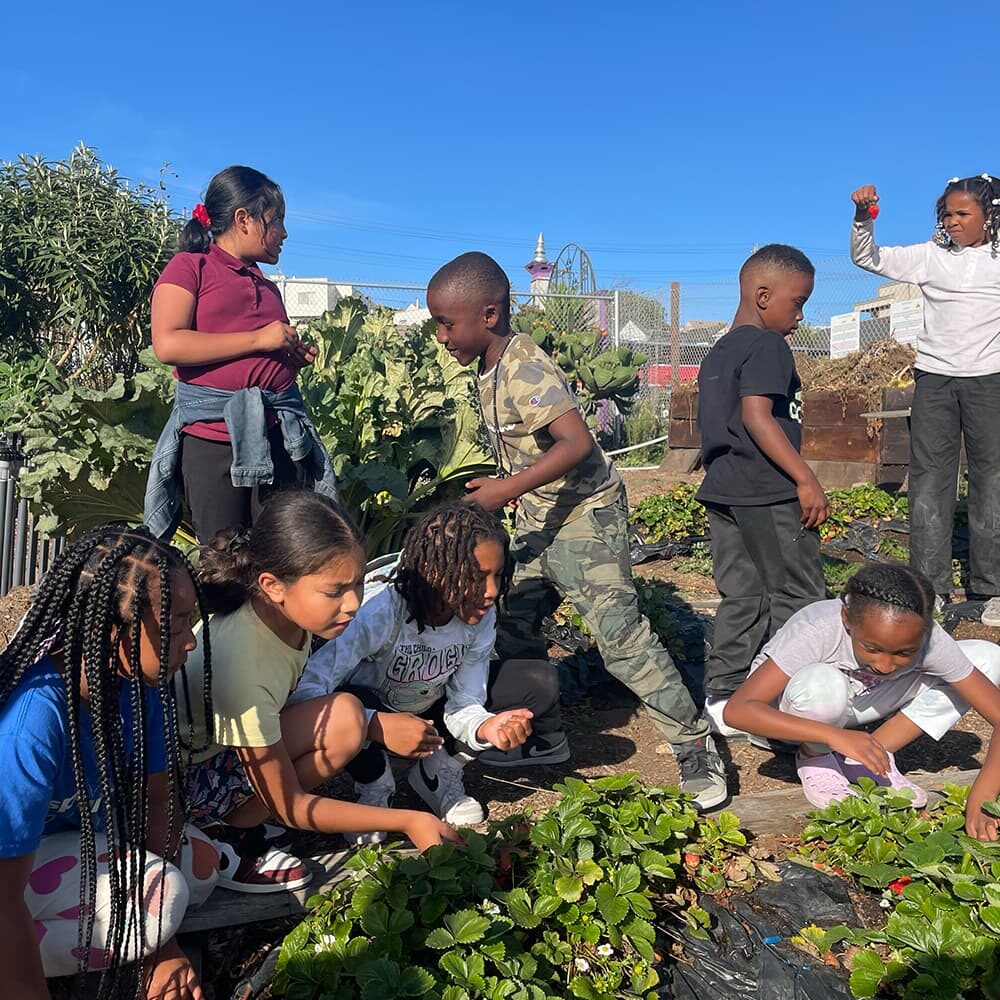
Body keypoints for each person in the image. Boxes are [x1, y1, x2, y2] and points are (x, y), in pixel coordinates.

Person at [425, 252, 728, 811]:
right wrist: (508, 483)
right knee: (512, 621)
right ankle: (544, 735)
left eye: (447, 323)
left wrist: (505, 490)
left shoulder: (523, 365)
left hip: (584, 515)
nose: (441, 335)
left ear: (488, 314)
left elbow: (576, 444)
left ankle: (694, 747)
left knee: (621, 640)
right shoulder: (489, 367)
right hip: (541, 516)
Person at [178, 491, 459, 893]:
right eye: (335, 591)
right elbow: (289, 804)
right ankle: (224, 836)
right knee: (345, 723)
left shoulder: (283, 616)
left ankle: (236, 819)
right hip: (180, 788)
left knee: (347, 716)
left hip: (219, 750)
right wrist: (409, 821)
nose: (353, 603)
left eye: (358, 584)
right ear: (273, 585)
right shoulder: (242, 662)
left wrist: (371, 724)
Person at [0, 526, 220, 1000]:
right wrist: (154, 934)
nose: (190, 642)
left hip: (71, 849)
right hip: (8, 874)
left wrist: (162, 945)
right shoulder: (34, 719)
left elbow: (159, 800)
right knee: (168, 893)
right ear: (110, 625)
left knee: (201, 869)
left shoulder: (139, 689)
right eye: (174, 624)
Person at [290, 501, 565, 842]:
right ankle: (374, 784)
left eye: (497, 575)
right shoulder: (378, 611)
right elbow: (309, 691)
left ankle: (438, 772)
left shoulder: (478, 614)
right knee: (348, 701)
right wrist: (374, 724)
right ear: (436, 572)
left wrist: (486, 727)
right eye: (478, 578)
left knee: (539, 682)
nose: (492, 591)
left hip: (430, 710)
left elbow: (465, 698)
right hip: (371, 717)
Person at [723, 563, 1000, 838]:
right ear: (846, 618)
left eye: (904, 653)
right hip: (798, 708)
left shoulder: (929, 640)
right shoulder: (818, 629)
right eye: (872, 648)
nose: (885, 665)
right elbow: (738, 711)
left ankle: (871, 755)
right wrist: (831, 736)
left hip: (860, 703)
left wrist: (983, 796)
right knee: (822, 685)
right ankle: (816, 755)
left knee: (987, 658)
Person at [144, 165, 337, 543]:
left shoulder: (267, 287)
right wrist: (261, 340)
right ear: (243, 219)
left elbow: (258, 355)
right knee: (225, 560)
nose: (283, 232)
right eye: (275, 220)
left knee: (279, 555)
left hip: (279, 438)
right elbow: (168, 344)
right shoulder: (189, 267)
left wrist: (288, 359)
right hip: (214, 439)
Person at [850, 176, 1000, 621]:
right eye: (946, 214)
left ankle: (990, 588)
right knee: (930, 482)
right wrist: (863, 218)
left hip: (990, 380)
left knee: (992, 481)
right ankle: (930, 587)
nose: (952, 222)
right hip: (935, 380)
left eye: (962, 214)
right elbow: (867, 257)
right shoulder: (931, 257)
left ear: (990, 216)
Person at [695, 244, 829, 739]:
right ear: (763, 295)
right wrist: (805, 478)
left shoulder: (718, 351)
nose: (800, 315)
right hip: (767, 492)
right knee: (799, 596)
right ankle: (783, 700)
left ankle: (724, 697)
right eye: (797, 303)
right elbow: (756, 416)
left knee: (742, 595)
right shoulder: (768, 346)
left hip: (725, 492)